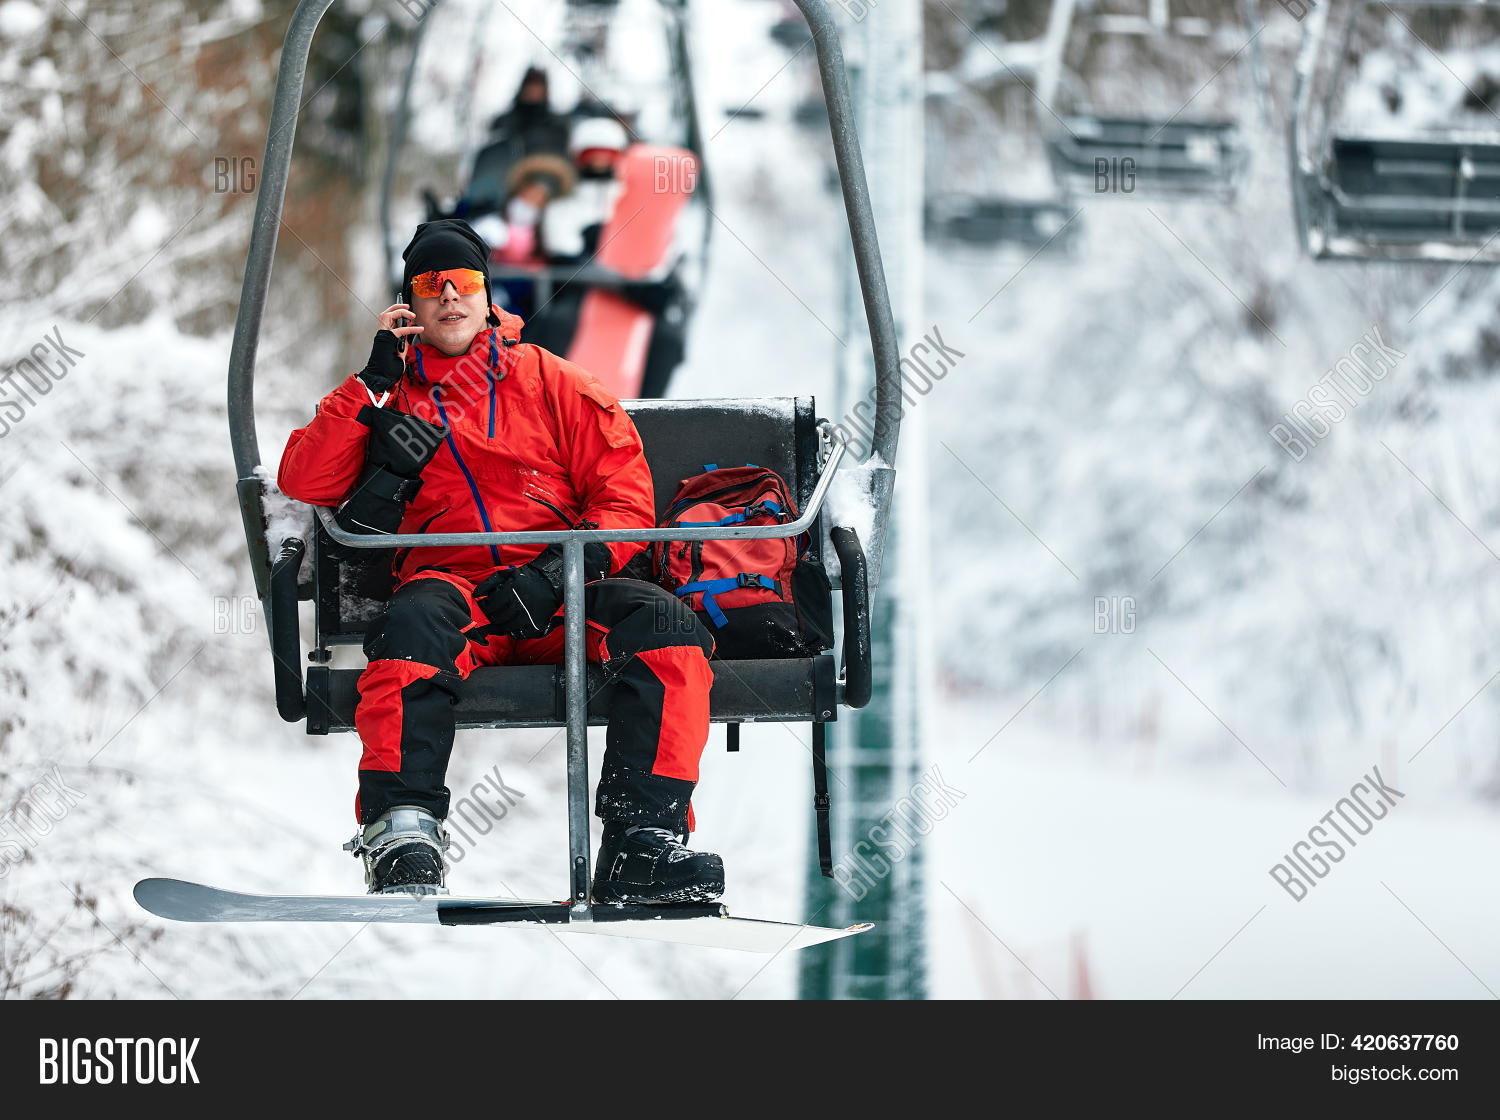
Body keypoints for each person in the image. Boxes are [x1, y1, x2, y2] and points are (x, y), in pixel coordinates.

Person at [277, 218, 724, 903]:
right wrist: (370, 383)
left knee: (666, 632)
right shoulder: (390, 396)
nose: (449, 295)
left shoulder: (552, 382)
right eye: (431, 283)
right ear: (408, 304)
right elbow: (305, 479)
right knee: (412, 630)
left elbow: (625, 496)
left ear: (488, 296)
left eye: (464, 281)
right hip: (457, 594)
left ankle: (642, 843)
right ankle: (403, 834)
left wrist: (559, 574)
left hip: (562, 592)